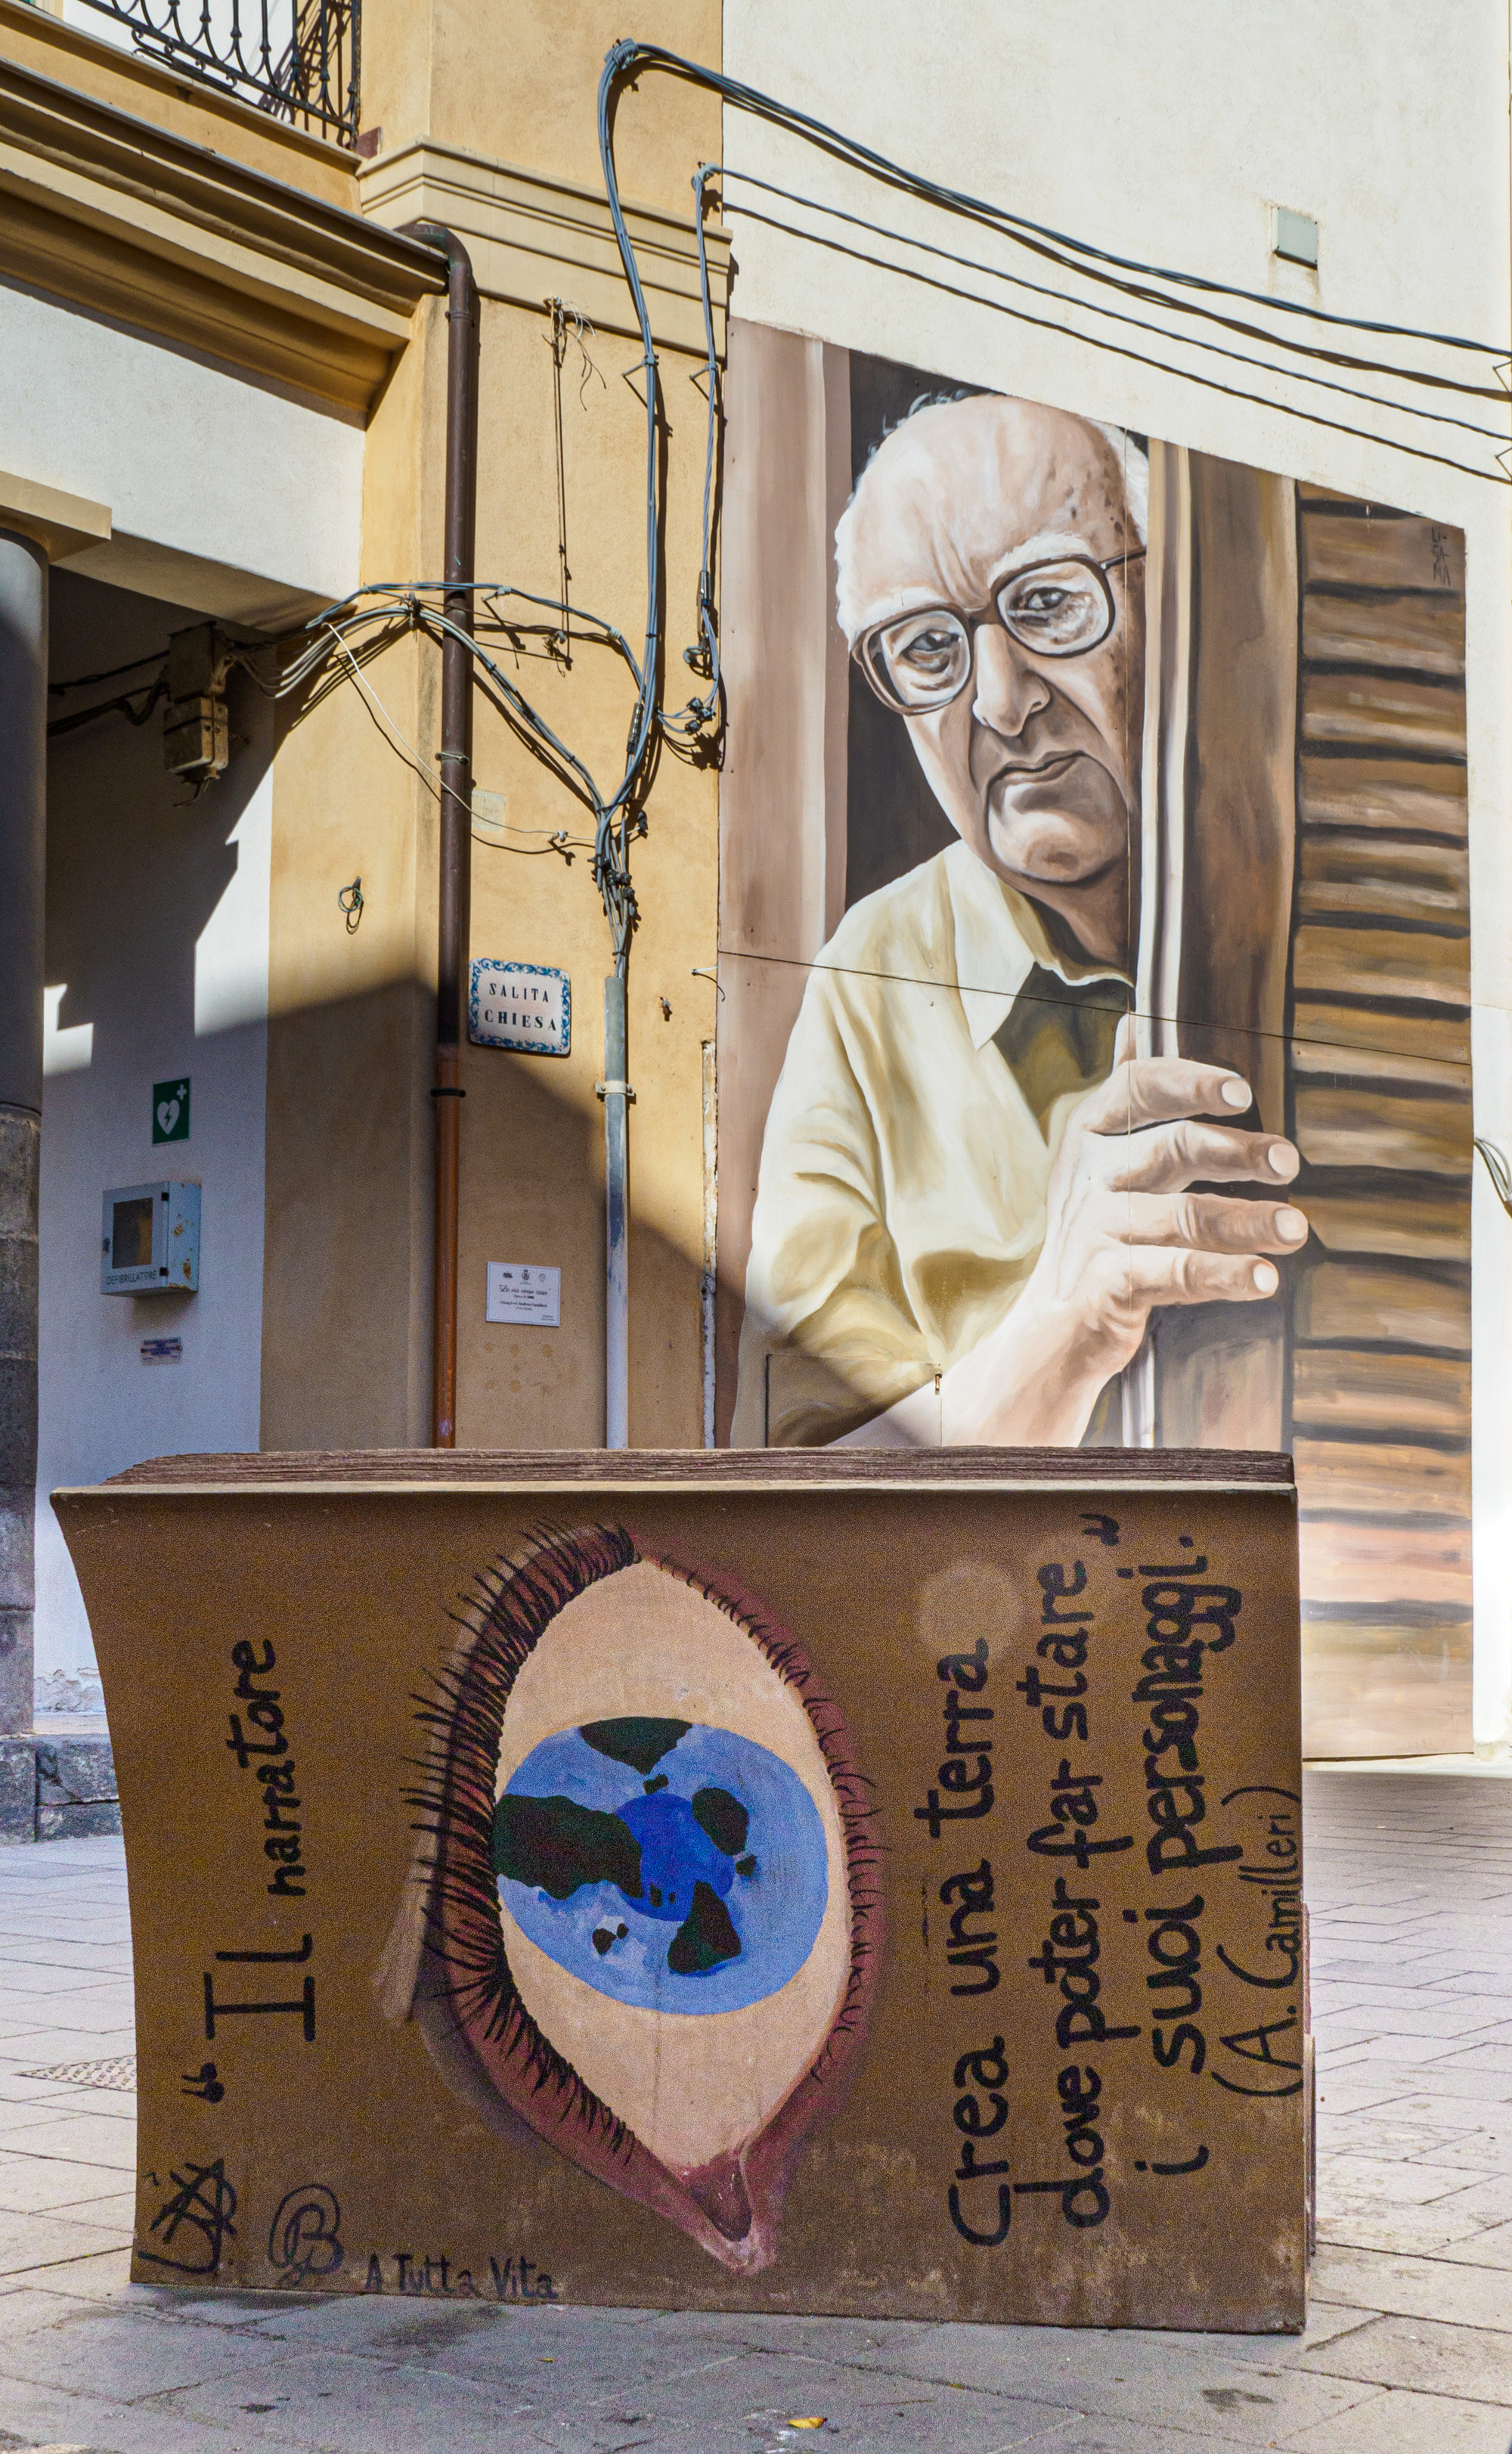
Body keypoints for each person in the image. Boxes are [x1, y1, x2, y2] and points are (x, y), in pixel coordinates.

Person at [732, 393, 1307, 1448]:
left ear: (1166, 606)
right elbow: (805, 1487)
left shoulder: (1308, 907)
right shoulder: (873, 976)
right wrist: (1063, 1329)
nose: (1001, 701)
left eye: (1047, 604)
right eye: (925, 649)